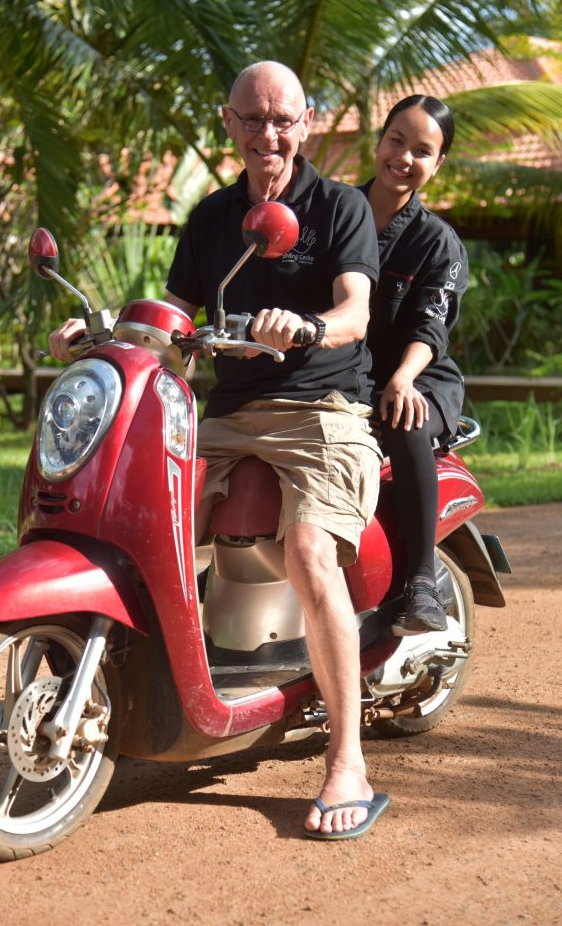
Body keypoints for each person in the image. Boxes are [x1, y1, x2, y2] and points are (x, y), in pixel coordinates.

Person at [49, 60, 388, 841]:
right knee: (124, 519)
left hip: (323, 411)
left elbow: (356, 311)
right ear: (229, 124)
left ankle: (347, 760)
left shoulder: (340, 208)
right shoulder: (209, 219)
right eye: (252, 118)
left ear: (306, 123)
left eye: (283, 119)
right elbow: (175, 313)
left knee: (308, 552)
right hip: (229, 414)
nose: (268, 133)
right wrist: (102, 332)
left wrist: (304, 329)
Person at [361, 95, 468, 634]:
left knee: (405, 417)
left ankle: (421, 583)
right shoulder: (335, 213)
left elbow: (431, 324)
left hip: (419, 376)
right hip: (346, 377)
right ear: (380, 140)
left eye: (422, 151)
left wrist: (402, 378)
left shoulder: (437, 241)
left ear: (437, 163)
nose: (403, 157)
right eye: (396, 140)